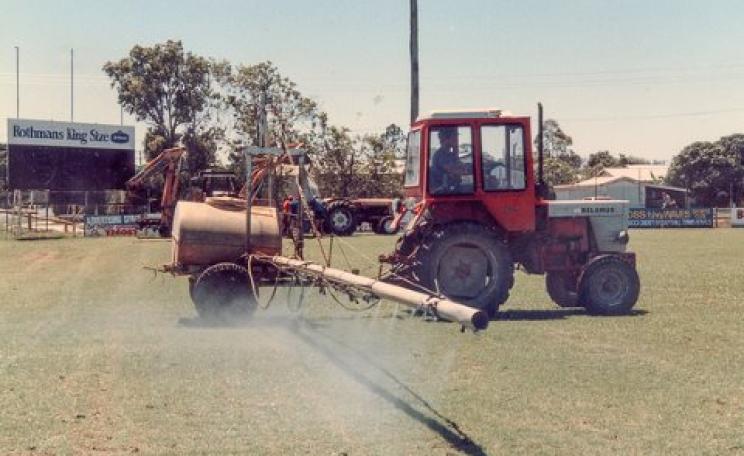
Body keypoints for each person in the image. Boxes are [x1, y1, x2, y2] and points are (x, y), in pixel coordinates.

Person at [429, 127, 469, 194]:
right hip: (442, 190)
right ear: (446, 138)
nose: (456, 140)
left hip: (451, 187)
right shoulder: (440, 155)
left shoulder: (451, 155)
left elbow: (463, 168)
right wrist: (459, 170)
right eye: (454, 137)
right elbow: (452, 169)